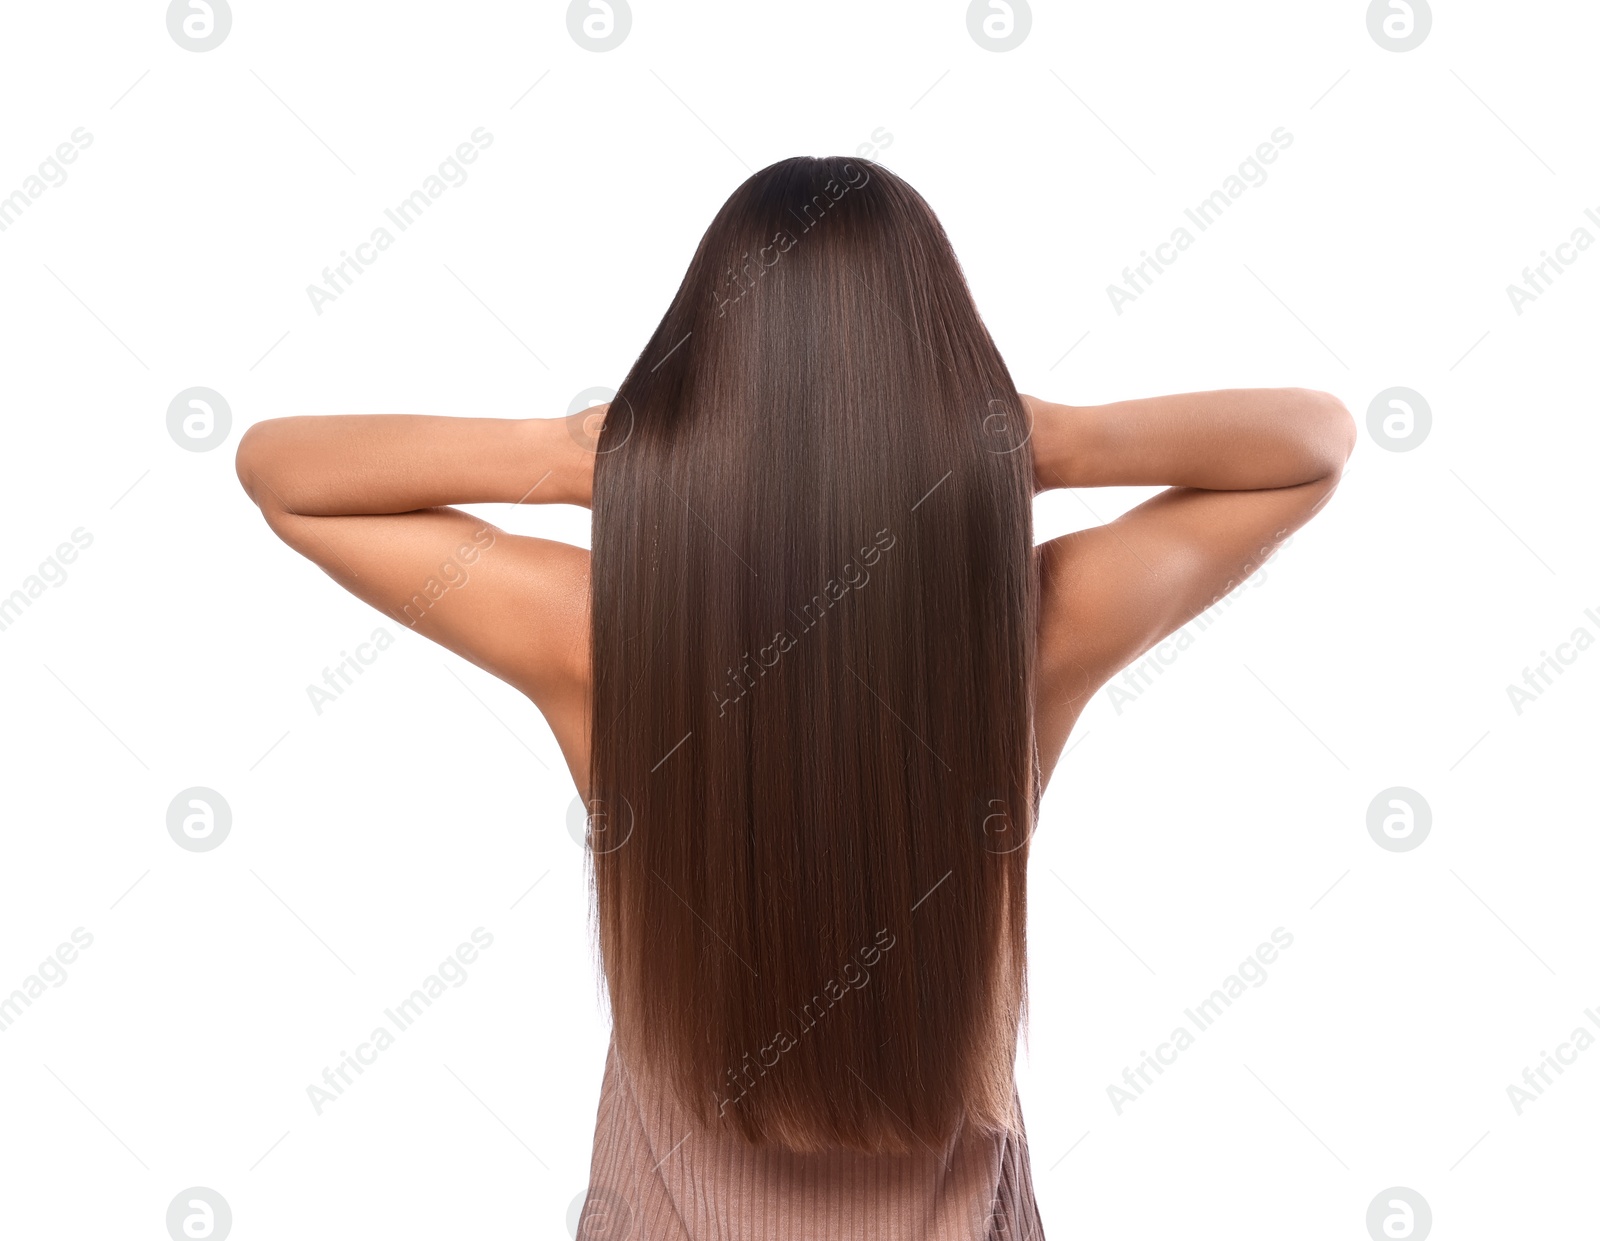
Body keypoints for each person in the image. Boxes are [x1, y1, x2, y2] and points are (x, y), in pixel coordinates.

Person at [235, 155, 1354, 1240]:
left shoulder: (598, 642)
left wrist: (592, 450)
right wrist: (1046, 440)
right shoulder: (1029, 636)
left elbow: (287, 474)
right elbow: (1309, 443)